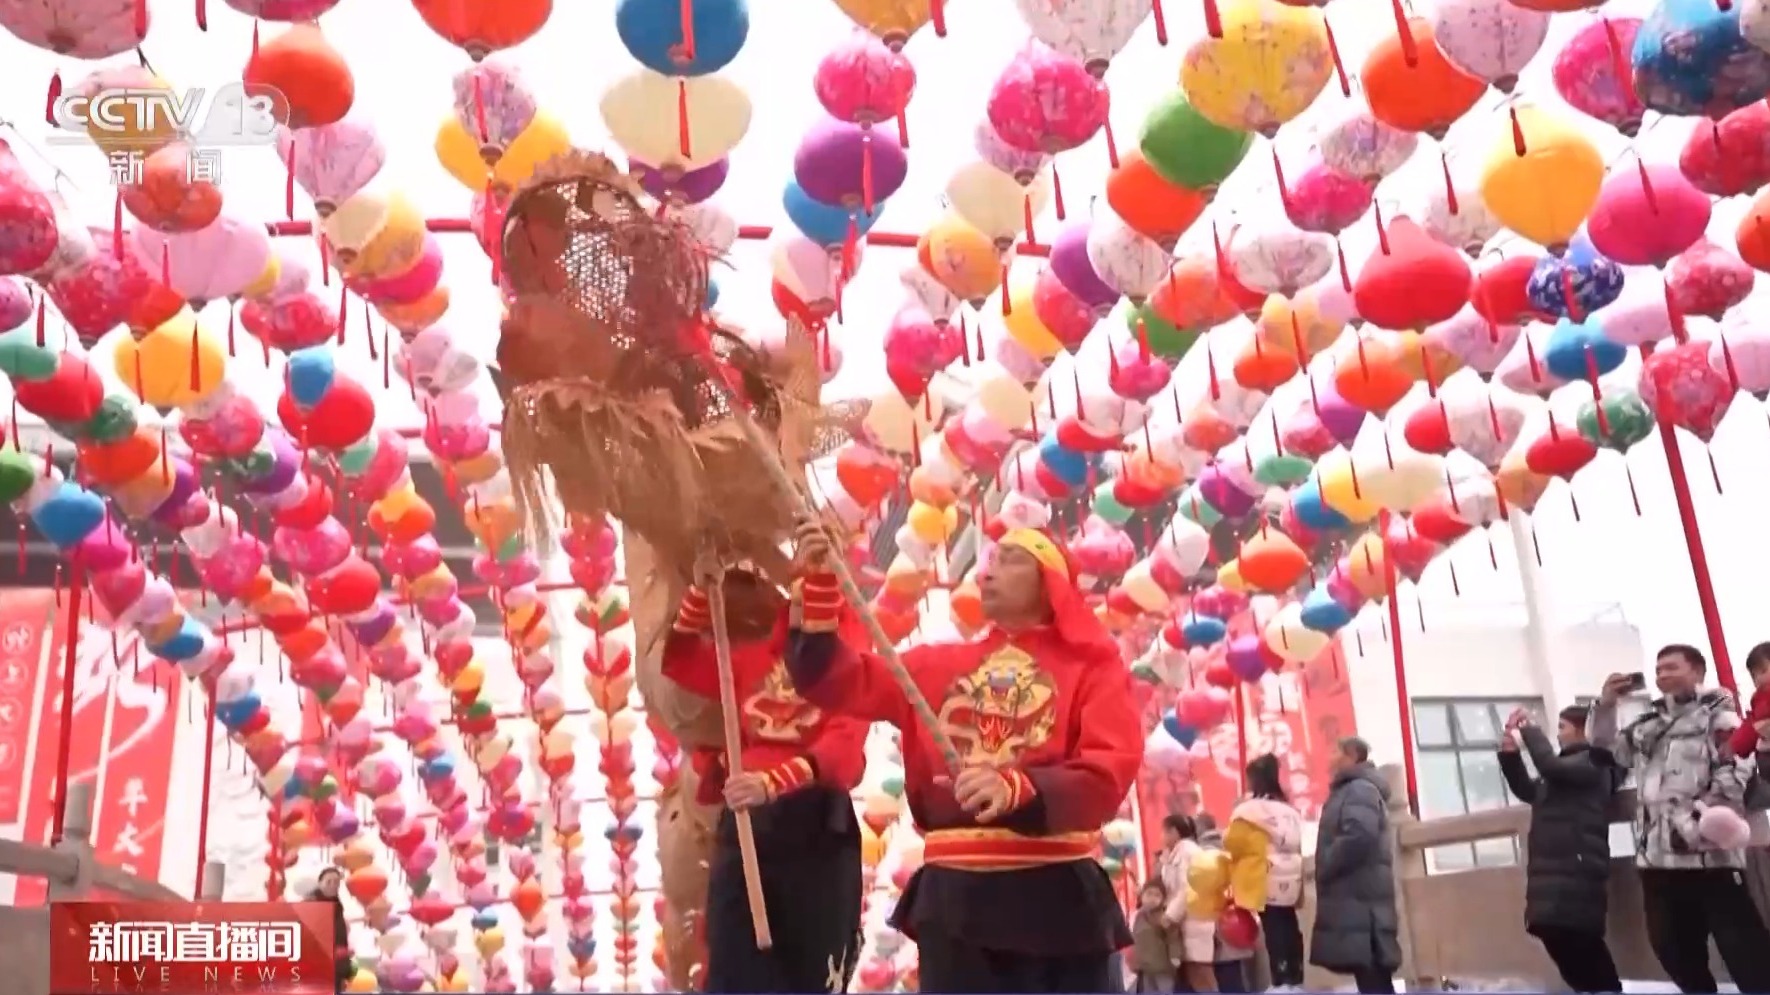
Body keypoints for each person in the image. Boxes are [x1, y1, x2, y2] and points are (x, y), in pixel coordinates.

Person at [785, 520, 1142, 993]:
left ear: (1051, 583)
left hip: (1056, 898)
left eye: (1010, 560)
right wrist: (819, 585)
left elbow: (1108, 769)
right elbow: (838, 681)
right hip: (956, 901)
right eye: (990, 560)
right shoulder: (932, 665)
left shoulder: (1092, 667)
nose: (988, 571)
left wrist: (1019, 788)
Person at [661, 561, 870, 993]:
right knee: (732, 959)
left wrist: (771, 783)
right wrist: (699, 592)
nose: (803, 607)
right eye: (797, 598)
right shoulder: (751, 661)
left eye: (816, 597)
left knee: (808, 968)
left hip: (814, 825)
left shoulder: (852, 668)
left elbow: (844, 748)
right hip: (746, 822)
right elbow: (681, 660)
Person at [1591, 645, 1770, 993]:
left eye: (1672, 667)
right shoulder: (1646, 725)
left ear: (1697, 672)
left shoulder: (1720, 719)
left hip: (1710, 857)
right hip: (1656, 861)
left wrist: (1702, 821)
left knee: (1745, 952)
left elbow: (1735, 769)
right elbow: (1604, 752)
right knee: (1672, 950)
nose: (1663, 675)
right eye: (1659, 669)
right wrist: (1606, 705)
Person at [1496, 704, 1624, 993]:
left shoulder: (1593, 763)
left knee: (1580, 940)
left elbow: (1551, 766)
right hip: (1550, 870)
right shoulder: (1559, 771)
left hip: (1577, 867)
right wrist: (1510, 756)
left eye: (1562, 727)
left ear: (1582, 730)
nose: (1558, 735)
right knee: (1553, 933)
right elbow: (1528, 790)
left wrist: (1529, 729)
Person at [1310, 737, 1401, 994]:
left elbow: (1360, 834)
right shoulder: (1351, 790)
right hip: (1358, 899)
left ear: (1351, 755)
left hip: (1362, 901)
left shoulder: (1359, 789)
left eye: (1334, 751)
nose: (1330, 758)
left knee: (1373, 978)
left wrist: (1327, 863)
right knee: (1371, 976)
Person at [1225, 754, 1306, 991]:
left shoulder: (1248, 811)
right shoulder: (1288, 809)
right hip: (1290, 874)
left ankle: (1280, 979)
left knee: (1273, 927)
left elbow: (1234, 843)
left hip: (1263, 874)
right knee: (1289, 924)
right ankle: (1295, 975)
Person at [1157, 814, 1218, 993]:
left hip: (1194, 922)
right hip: (1185, 924)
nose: (1161, 837)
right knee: (1192, 978)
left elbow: (1189, 887)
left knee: (1202, 977)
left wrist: (1170, 915)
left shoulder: (1189, 853)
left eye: (1164, 832)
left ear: (1174, 832)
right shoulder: (1174, 855)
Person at [1130, 881, 1181, 992]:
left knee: (1165, 989)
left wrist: (1175, 956)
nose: (1152, 898)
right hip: (1145, 966)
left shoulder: (1164, 916)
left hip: (1162, 966)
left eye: (1157, 895)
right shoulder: (1138, 915)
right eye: (1149, 894)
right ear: (1142, 896)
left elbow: (1173, 938)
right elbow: (1135, 938)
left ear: (1163, 899)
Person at [1726, 641, 1770, 759]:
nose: (1759, 678)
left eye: (1763, 671)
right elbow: (1751, 728)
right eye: (1754, 676)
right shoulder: (1758, 701)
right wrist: (1735, 745)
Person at [311, 867, 350, 991]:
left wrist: (344, 970)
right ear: (320, 883)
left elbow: (341, 938)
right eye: (329, 882)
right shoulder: (311, 904)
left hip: (336, 967)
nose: (333, 885)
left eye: (336, 882)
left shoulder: (337, 905)